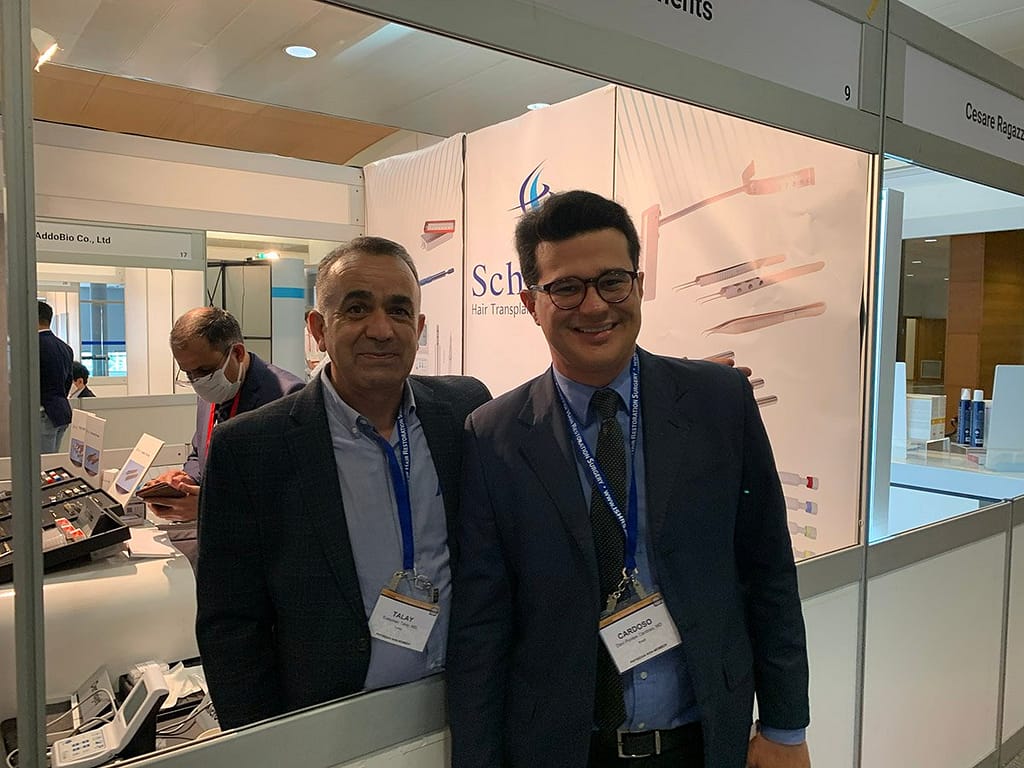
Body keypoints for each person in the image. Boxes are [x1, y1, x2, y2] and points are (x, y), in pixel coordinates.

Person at [447, 191, 810, 768]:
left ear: (639, 285)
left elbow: (767, 569)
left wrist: (785, 728)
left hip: (704, 740)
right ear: (530, 303)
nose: (594, 306)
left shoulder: (719, 403)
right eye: (567, 288)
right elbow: (483, 625)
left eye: (613, 281)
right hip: (563, 749)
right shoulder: (494, 436)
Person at [194, 236, 490, 730]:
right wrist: (262, 745)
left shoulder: (465, 411)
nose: (381, 329)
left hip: (461, 709)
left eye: (399, 311)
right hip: (335, 725)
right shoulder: (251, 448)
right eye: (356, 309)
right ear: (318, 329)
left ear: (418, 328)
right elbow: (231, 626)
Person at [142, 307, 304, 524]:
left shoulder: (289, 397)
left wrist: (211, 506)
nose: (197, 381)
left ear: (237, 353)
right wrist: (185, 480)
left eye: (204, 371)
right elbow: (201, 453)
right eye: (188, 374)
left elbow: (296, 495)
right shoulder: (211, 388)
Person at [38, 301, 74, 453]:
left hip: (43, 413)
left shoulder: (34, 346)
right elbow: (68, 382)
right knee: (52, 461)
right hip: (61, 411)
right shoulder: (65, 347)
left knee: (43, 463)